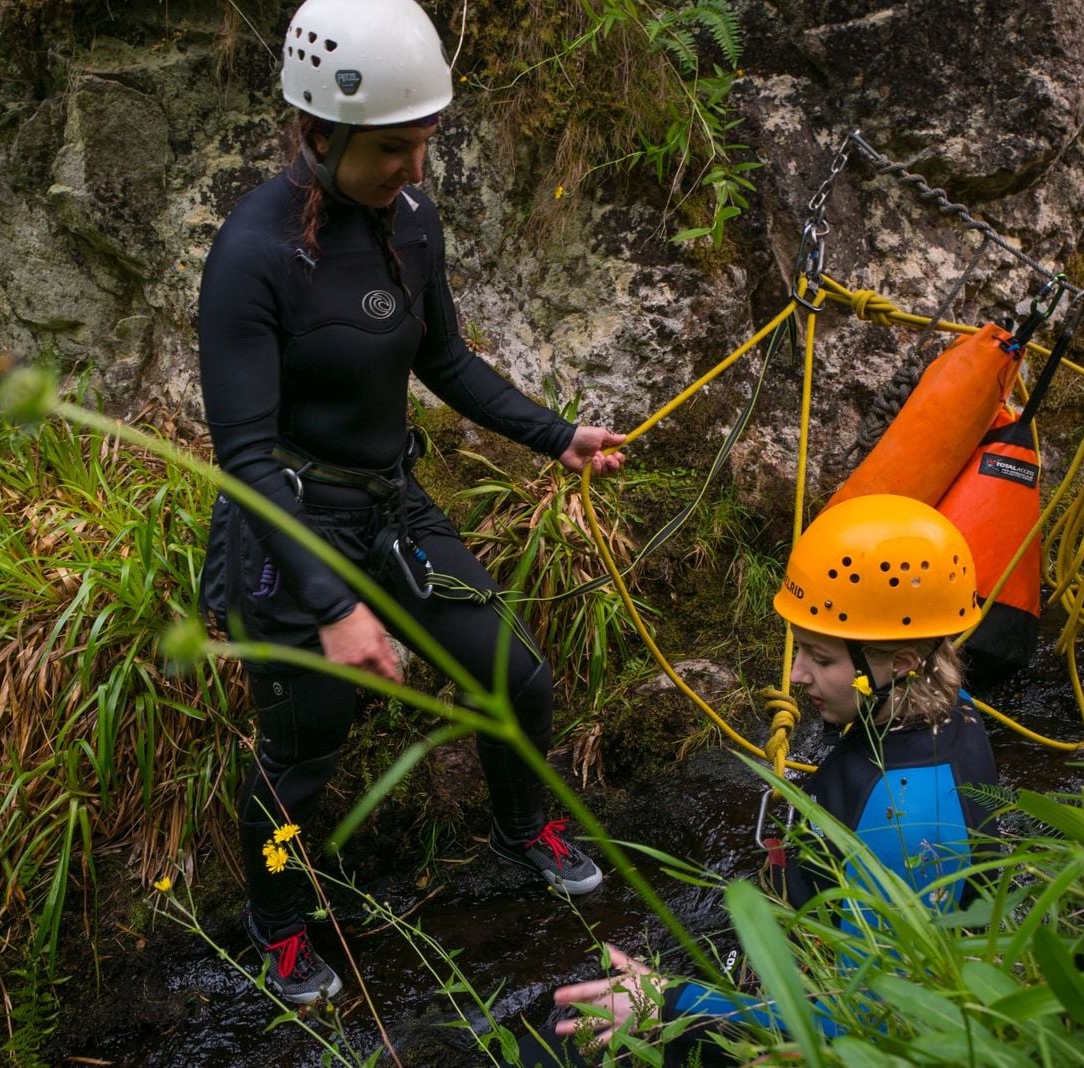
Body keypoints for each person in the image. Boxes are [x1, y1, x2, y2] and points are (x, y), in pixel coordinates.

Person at [195, 0, 627, 1006]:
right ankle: (276, 919)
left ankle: (521, 826)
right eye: (392, 150)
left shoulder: (411, 222)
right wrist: (335, 607)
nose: (414, 170)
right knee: (305, 746)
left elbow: (442, 359)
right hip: (291, 531)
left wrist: (557, 437)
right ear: (319, 130)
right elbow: (244, 460)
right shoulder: (252, 256)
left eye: (423, 144)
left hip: (392, 508)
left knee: (514, 677)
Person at [532, 495, 999, 1062]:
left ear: (898, 662)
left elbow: (867, 1019)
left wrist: (673, 1002)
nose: (797, 674)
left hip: (813, 1007)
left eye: (819, 658)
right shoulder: (948, 708)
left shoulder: (907, 817)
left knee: (554, 1049)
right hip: (812, 933)